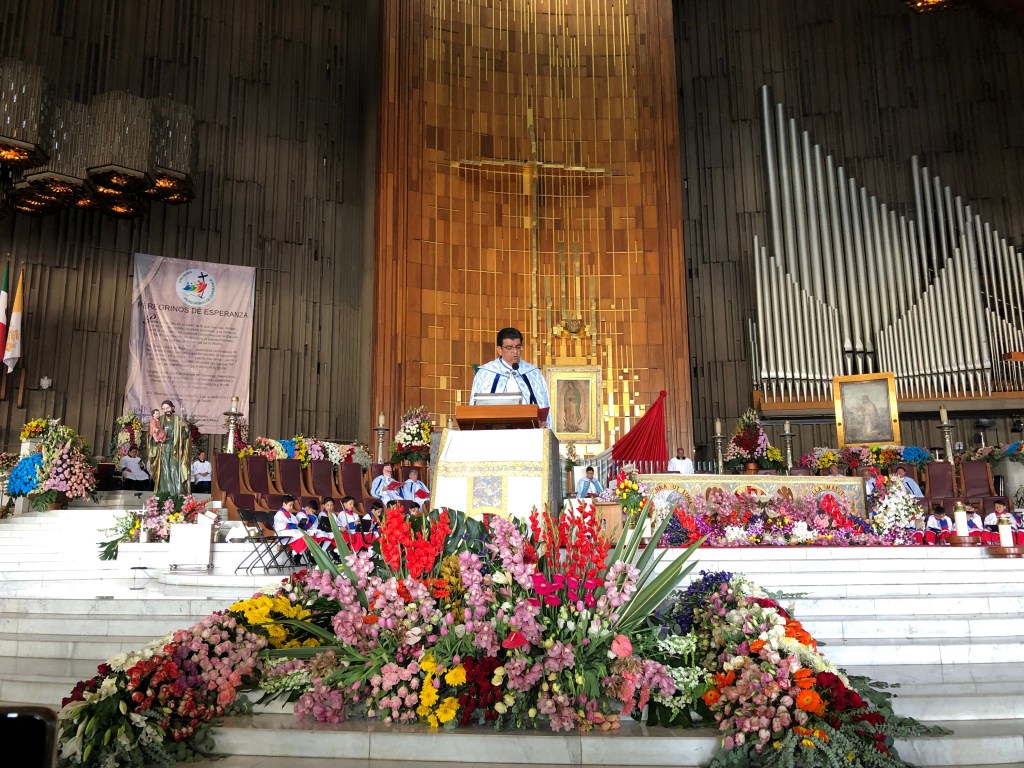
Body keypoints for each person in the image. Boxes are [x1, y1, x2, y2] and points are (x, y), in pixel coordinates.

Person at [470, 327, 550, 412]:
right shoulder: (485, 373)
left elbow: (544, 406)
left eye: (518, 347)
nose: (515, 351)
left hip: (526, 424)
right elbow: (475, 409)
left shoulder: (533, 373)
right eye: (509, 348)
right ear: (499, 350)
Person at [146, 400, 191, 495]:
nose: (166, 410)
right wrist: (155, 436)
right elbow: (151, 434)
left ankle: (177, 492)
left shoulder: (178, 419)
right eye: (164, 409)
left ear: (172, 408)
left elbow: (185, 436)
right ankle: (164, 492)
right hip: (163, 449)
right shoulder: (159, 420)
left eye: (168, 408)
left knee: (175, 468)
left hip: (175, 448)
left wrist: (186, 427)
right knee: (164, 470)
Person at [273, 496, 310, 561]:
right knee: (303, 534)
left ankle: (296, 553)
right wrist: (292, 526)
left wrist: (300, 525)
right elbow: (280, 526)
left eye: (292, 505)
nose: (291, 507)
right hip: (282, 533)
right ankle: (295, 553)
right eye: (290, 505)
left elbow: (296, 523)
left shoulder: (290, 514)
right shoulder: (279, 514)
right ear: (284, 504)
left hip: (290, 532)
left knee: (307, 534)